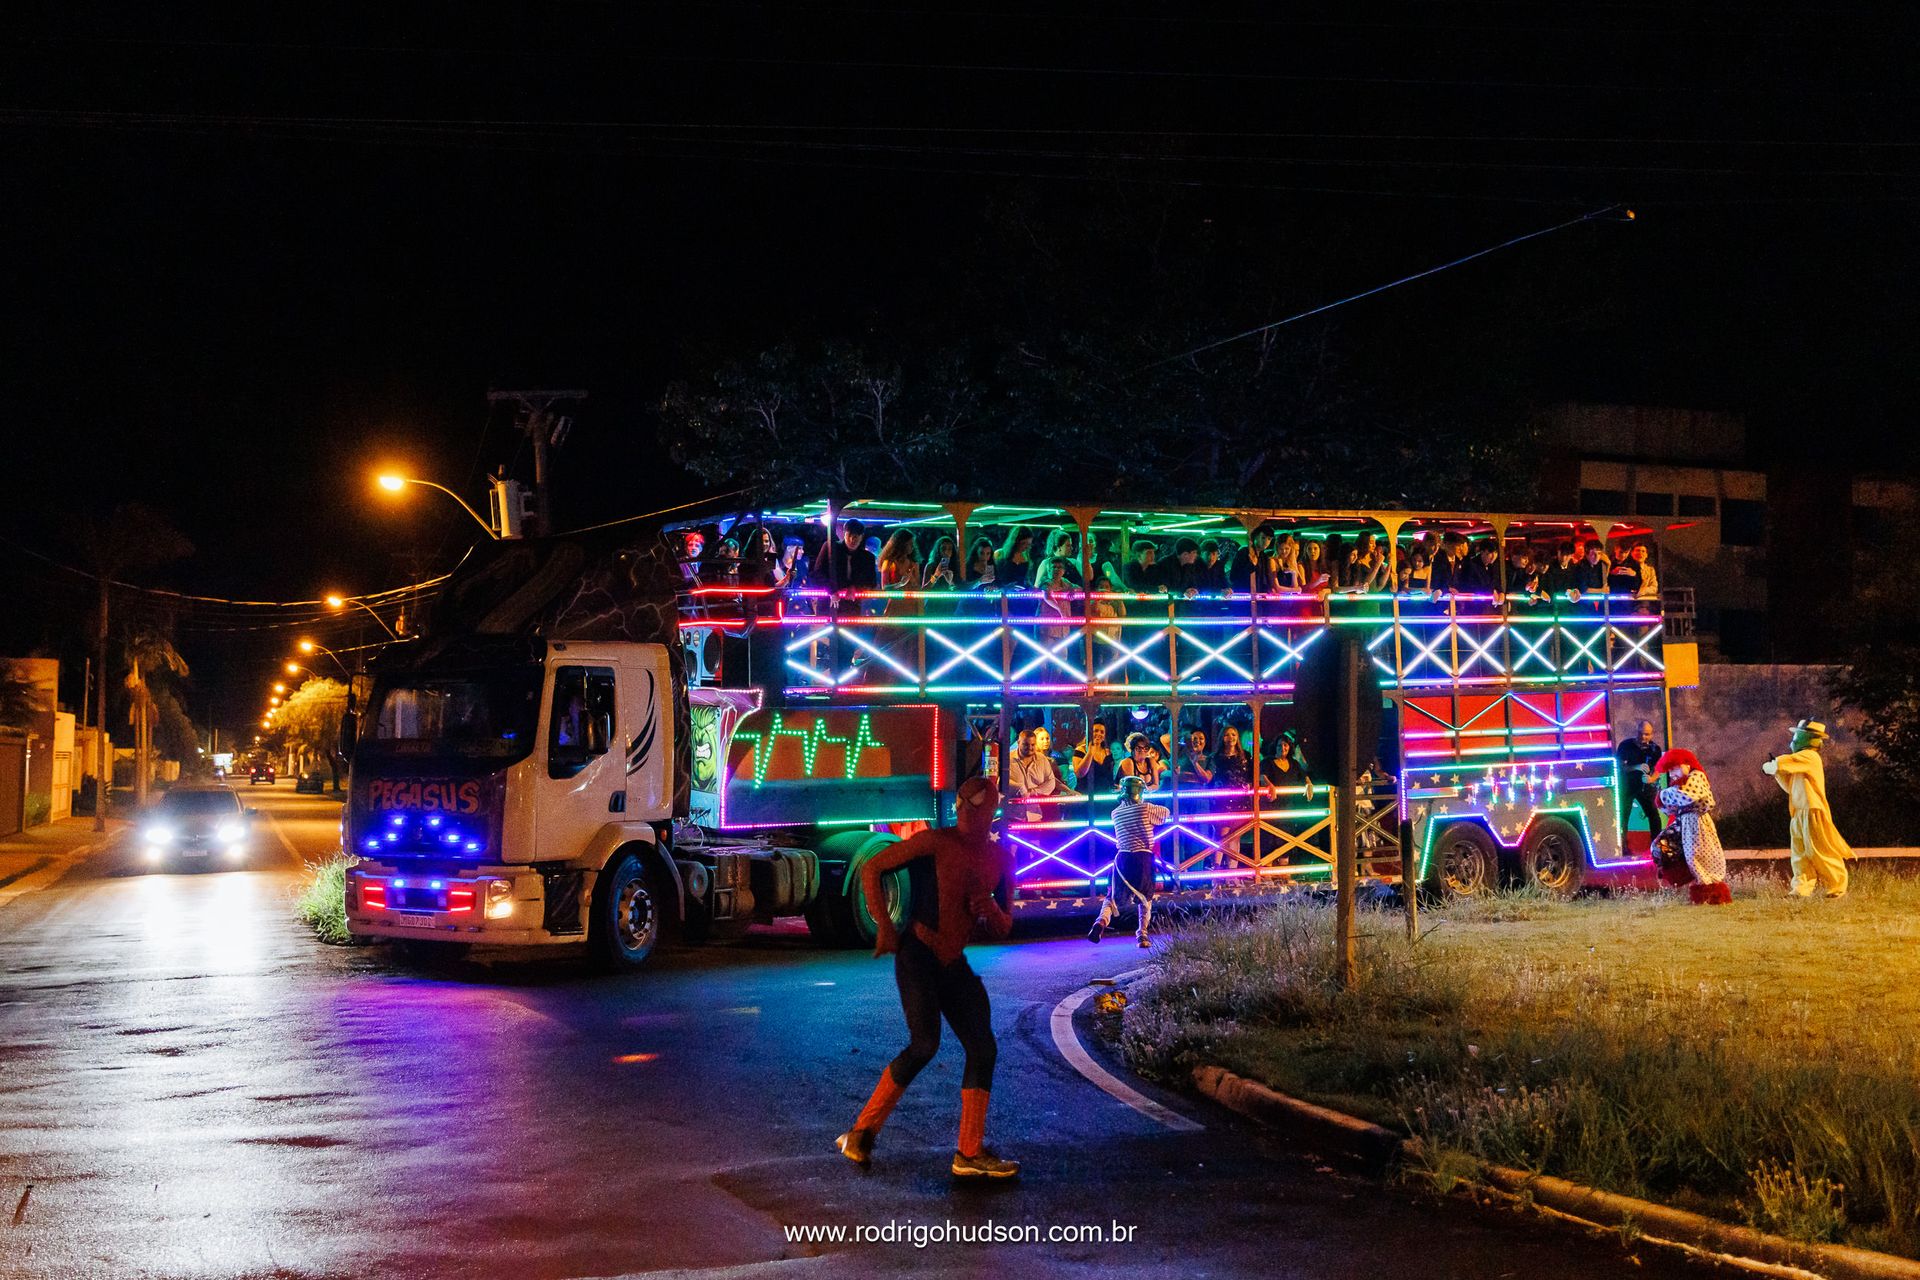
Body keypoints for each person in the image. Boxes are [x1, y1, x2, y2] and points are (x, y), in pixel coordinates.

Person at [837, 776, 1018, 1179]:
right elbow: (872, 866)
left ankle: (968, 1153)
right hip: (918, 954)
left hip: (953, 963)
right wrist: (884, 924)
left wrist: (990, 910)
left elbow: (1007, 925)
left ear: (991, 812)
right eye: (963, 808)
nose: (967, 815)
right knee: (924, 1044)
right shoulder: (936, 842)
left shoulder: (1001, 859)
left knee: (982, 1047)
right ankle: (860, 1132)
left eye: (977, 809)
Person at [1763, 718, 1853, 898]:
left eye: (1797, 735)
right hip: (1799, 811)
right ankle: (1801, 889)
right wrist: (1778, 772)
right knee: (1800, 854)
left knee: (1819, 850)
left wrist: (1776, 765)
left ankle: (1837, 887)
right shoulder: (1800, 763)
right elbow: (1791, 786)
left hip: (1813, 811)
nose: (1794, 740)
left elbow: (1787, 761)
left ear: (1808, 738)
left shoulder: (1809, 757)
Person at [1088, 775, 1169, 948]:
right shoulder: (1145, 808)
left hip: (1122, 859)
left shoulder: (1115, 813)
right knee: (1145, 899)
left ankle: (1101, 921)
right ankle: (1142, 934)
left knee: (1112, 897)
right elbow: (1165, 814)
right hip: (1143, 859)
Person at [1656, 748, 1728, 905]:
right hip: (1684, 823)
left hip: (1698, 821)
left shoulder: (1696, 777)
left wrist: (1663, 795)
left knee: (1700, 855)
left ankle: (1710, 891)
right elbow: (1673, 807)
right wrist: (1664, 800)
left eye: (1674, 768)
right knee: (1662, 845)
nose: (1672, 773)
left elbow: (1688, 795)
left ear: (1686, 765)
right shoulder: (1679, 784)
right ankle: (1688, 879)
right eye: (1669, 770)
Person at [1008, 726, 1075, 821]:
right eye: (1026, 745)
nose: (1030, 748)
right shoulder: (1008, 759)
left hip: (1039, 810)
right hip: (1015, 814)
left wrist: (1032, 792)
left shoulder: (1045, 759)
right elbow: (1001, 781)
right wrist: (1019, 787)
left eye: (1032, 745)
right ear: (1019, 743)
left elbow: (1052, 781)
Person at [1616, 720, 1664, 842]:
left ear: (1652, 735)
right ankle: (1622, 846)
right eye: (1641, 733)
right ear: (1637, 732)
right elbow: (1620, 766)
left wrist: (1651, 778)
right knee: (1623, 816)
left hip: (1645, 788)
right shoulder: (1625, 746)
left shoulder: (1655, 749)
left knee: (1654, 816)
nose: (1643, 737)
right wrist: (1635, 767)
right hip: (1627, 787)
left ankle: (1656, 845)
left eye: (1647, 734)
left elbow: (1659, 769)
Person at [816, 518, 879, 592]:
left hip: (854, 600)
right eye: (849, 535)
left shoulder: (868, 557)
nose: (852, 540)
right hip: (829, 599)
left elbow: (871, 582)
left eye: (856, 536)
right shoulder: (830, 548)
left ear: (861, 537)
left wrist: (855, 588)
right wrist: (831, 590)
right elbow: (818, 573)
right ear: (844, 534)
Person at [1072, 721, 1118, 794]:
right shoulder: (1080, 750)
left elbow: (1109, 776)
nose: (1099, 734)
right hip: (1086, 795)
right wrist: (1090, 752)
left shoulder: (1108, 752)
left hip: (1104, 796)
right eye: (1095, 731)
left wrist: (1114, 787)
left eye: (1102, 732)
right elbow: (1079, 774)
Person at [1231, 528, 1279, 594]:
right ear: (1256, 537)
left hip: (1259, 597)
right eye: (1263, 538)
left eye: (1269, 539)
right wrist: (1251, 565)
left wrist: (1269, 589)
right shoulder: (1244, 552)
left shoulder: (1264, 557)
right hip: (1244, 596)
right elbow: (1233, 576)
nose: (1266, 542)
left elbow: (1265, 578)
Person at [1629, 543, 1661, 613]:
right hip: (1629, 602)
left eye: (1643, 551)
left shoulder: (1650, 570)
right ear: (1632, 553)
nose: (1640, 553)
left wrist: (1642, 591)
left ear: (1646, 555)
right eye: (1637, 550)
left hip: (1647, 603)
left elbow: (1654, 588)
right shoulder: (1627, 568)